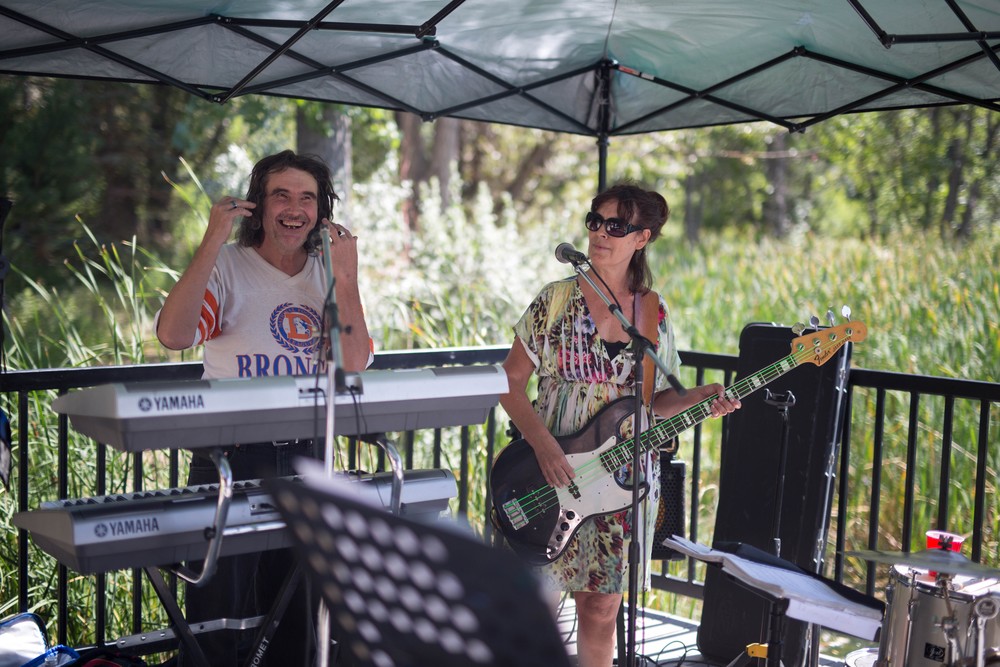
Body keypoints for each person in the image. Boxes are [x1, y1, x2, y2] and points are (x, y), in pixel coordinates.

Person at [499, 182, 741, 667]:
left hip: (622, 481)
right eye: (595, 221)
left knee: (602, 608)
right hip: (549, 472)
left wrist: (699, 397)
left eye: (616, 226)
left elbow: (654, 402)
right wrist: (543, 445)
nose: (599, 233)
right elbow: (509, 381)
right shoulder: (555, 300)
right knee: (534, 607)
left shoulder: (651, 312)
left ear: (642, 238)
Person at [156, 150, 372, 666]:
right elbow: (174, 335)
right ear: (258, 205)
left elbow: (353, 362)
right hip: (231, 456)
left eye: (307, 198)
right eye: (281, 195)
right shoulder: (228, 265)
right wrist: (212, 240)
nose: (295, 209)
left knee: (299, 618)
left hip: (308, 455)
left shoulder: (328, 274)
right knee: (217, 618)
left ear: (321, 211)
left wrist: (346, 280)